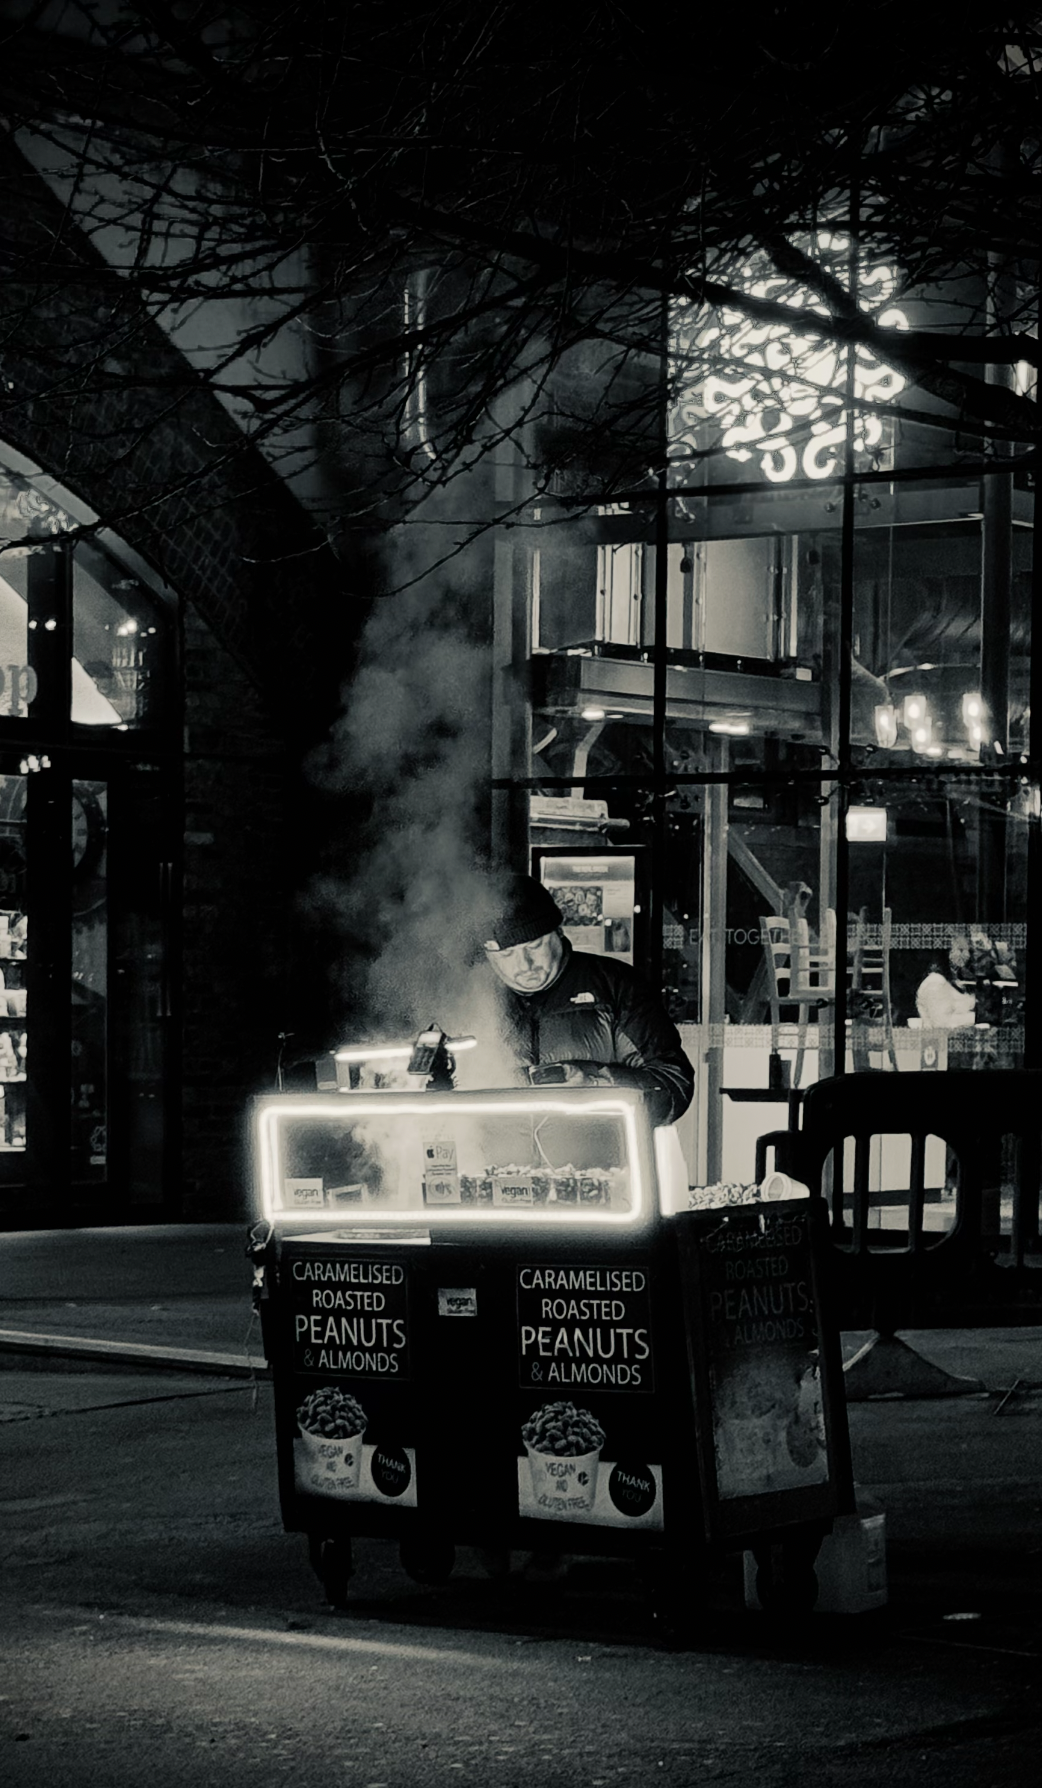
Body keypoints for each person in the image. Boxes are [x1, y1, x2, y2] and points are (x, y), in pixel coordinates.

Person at [477, 873, 694, 1126]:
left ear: (558, 932)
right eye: (506, 953)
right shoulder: (470, 998)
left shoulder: (616, 986)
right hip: (493, 1164)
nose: (523, 965)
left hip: (604, 1165)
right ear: (487, 953)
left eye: (534, 946)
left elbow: (673, 1087)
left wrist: (594, 1082)